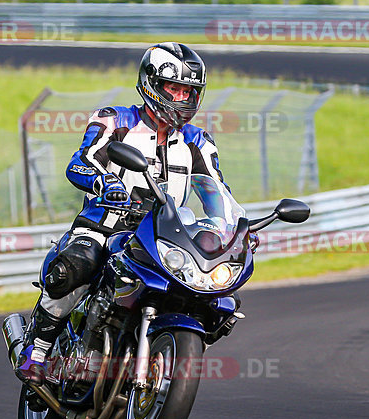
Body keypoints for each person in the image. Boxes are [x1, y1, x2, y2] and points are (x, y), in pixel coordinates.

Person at [15, 42, 227, 386]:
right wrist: (104, 182)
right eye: (175, 88)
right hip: (106, 225)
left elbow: (215, 189)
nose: (182, 98)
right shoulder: (116, 120)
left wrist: (232, 227)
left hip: (163, 234)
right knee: (78, 264)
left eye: (189, 91)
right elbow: (81, 161)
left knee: (213, 293)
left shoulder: (199, 141)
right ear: (152, 84)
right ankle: (36, 350)